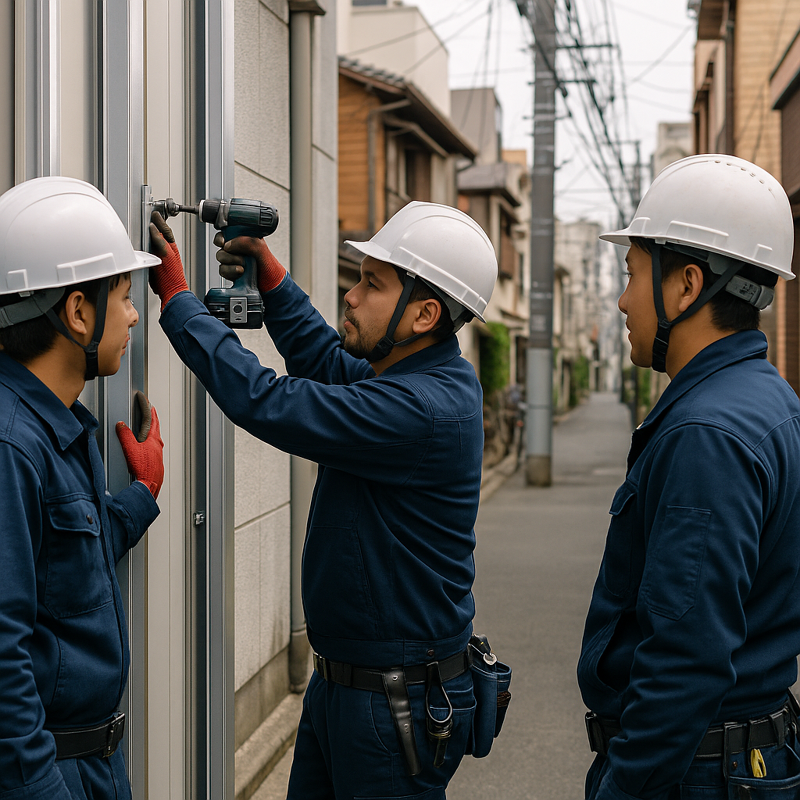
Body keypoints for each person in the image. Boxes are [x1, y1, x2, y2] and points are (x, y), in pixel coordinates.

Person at [147, 200, 498, 798]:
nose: (352, 295)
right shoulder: (411, 380)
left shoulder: (422, 410)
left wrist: (179, 300)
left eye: (371, 284)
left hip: (394, 704)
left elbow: (270, 402)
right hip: (351, 685)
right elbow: (326, 362)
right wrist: (272, 278)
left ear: (424, 313)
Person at [578, 154, 800, 800]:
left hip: (696, 771)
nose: (621, 301)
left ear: (686, 285)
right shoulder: (771, 402)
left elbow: (686, 659)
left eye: (631, 275)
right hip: (743, 756)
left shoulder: (707, 433)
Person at [0, 177, 165, 800]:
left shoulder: (54, 427)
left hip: (92, 765)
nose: (131, 315)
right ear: (76, 313)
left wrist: (141, 494)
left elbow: (67, 559)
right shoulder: (12, 444)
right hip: (48, 774)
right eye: (123, 296)